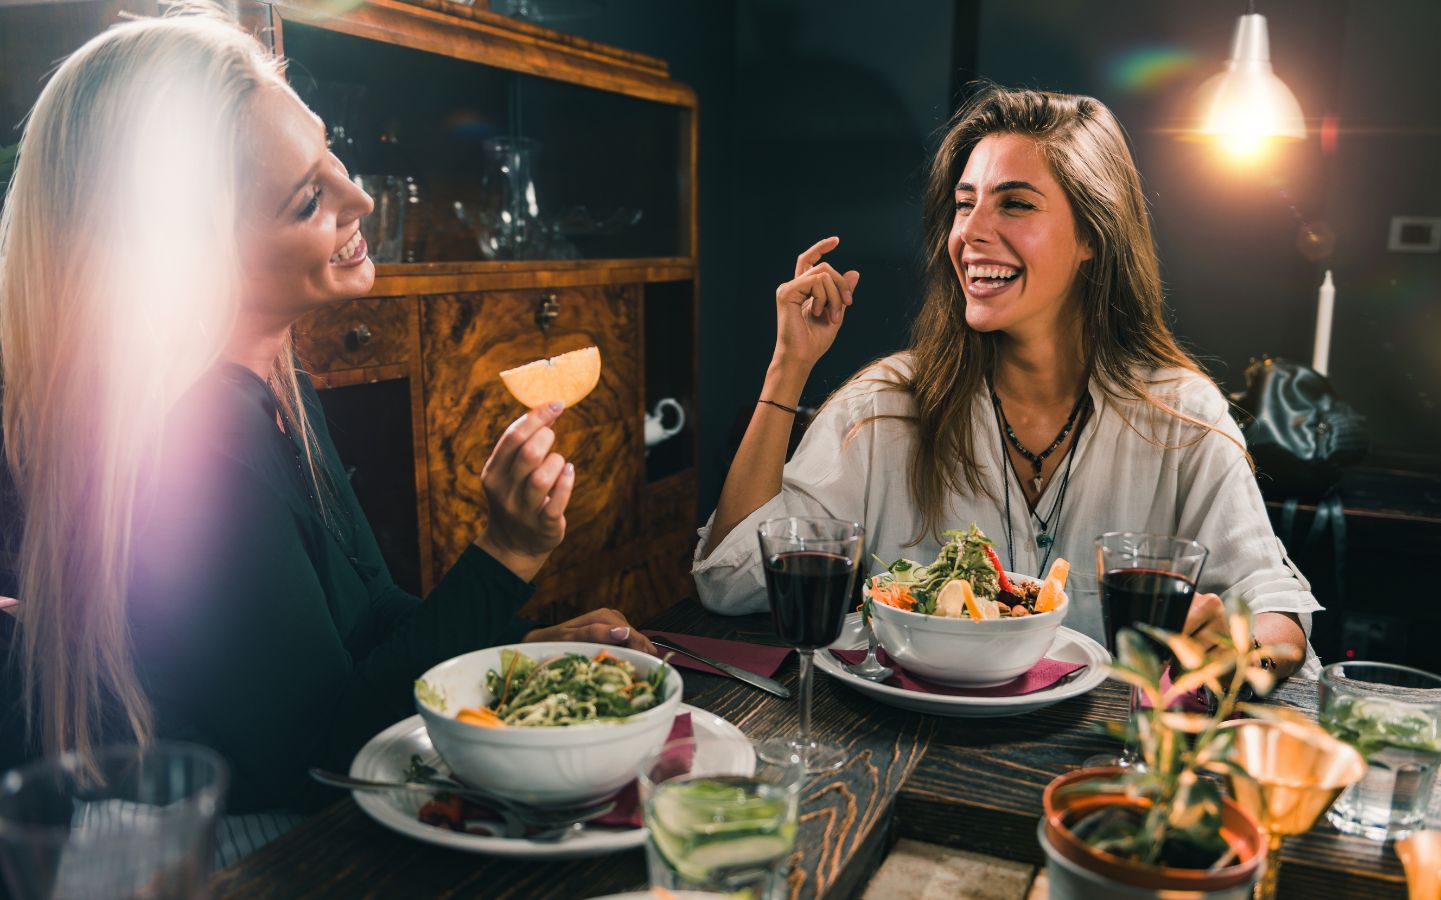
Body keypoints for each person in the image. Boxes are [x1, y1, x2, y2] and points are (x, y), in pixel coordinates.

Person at [0, 6, 653, 833]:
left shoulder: (269, 378)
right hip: (241, 848)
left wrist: (518, 649)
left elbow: (367, 614)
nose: (359, 196)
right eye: (308, 198)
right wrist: (506, 556)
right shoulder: (192, 445)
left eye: (329, 149)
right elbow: (323, 750)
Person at [694, 84, 1319, 678]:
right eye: (965, 204)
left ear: (1092, 237)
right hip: (907, 751)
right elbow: (732, 579)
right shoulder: (882, 407)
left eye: (1015, 203)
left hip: (1098, 765)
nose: (969, 233)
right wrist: (788, 364)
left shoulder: (1181, 416)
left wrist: (1241, 653)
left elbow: (1272, 607)